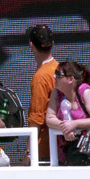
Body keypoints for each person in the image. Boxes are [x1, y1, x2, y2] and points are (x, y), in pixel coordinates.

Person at [46, 60, 90, 166]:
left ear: (70, 79)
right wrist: (65, 127)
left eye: (58, 74)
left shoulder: (85, 92)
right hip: (69, 153)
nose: (54, 76)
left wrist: (75, 124)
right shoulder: (57, 92)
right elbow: (49, 118)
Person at [26, 24, 58, 164]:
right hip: (60, 145)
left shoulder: (41, 77)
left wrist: (28, 153)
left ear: (31, 46)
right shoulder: (59, 68)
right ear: (52, 44)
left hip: (44, 149)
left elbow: (36, 119)